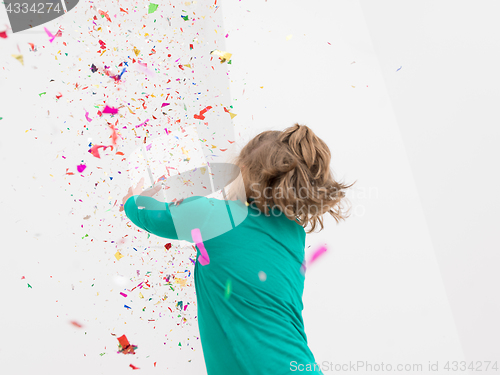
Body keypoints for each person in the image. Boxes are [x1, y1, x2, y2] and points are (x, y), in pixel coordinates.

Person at [122, 123, 355, 374]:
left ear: (242, 173)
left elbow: (149, 215)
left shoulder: (215, 217)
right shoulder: (293, 235)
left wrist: (133, 199)